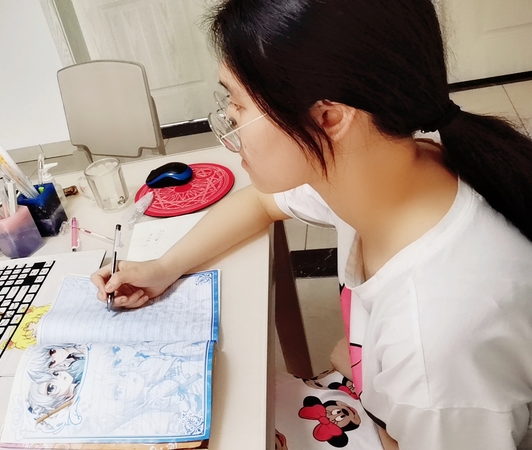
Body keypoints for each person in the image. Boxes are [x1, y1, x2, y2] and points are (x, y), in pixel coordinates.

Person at [90, 0, 532, 448]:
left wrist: (365, 385)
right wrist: (163, 268)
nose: (228, 122)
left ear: (329, 119)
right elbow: (262, 203)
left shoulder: (435, 342)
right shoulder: (386, 164)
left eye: (237, 104)